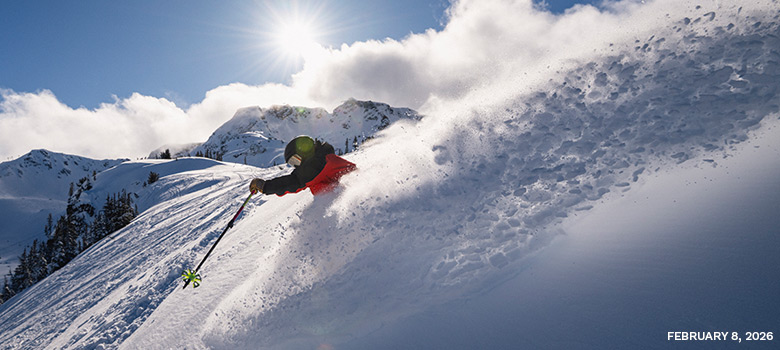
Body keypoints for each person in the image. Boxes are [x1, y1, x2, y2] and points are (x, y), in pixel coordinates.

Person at [249, 135, 357, 196]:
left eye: (295, 160)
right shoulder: (322, 160)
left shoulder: (321, 162)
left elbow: (294, 181)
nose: (296, 166)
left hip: (354, 197)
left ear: (304, 152)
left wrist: (265, 186)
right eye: (292, 164)